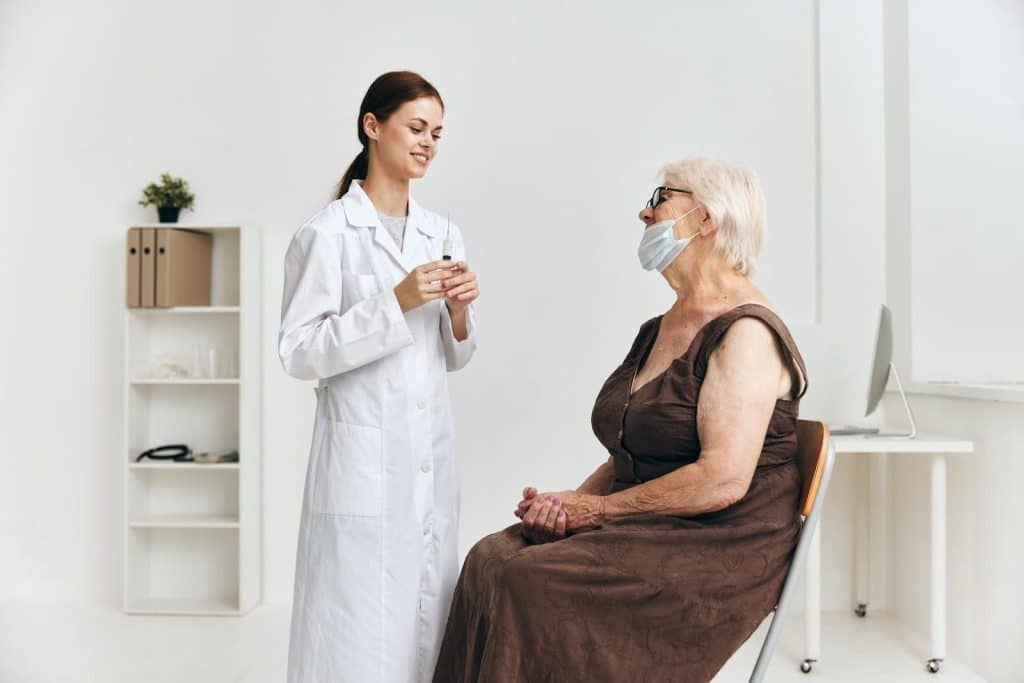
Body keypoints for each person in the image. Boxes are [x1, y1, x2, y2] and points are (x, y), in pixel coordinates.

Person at [433, 157, 806, 683]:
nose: (643, 212)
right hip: (653, 520)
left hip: (720, 540)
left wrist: (597, 512)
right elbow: (630, 454)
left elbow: (722, 479)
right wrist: (566, 505)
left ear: (706, 219)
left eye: (660, 199)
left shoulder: (747, 332)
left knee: (527, 579)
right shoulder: (660, 327)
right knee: (489, 558)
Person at [278, 70, 479, 683]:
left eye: (437, 134)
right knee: (354, 631)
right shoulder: (327, 234)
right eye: (416, 128)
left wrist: (460, 311)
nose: (428, 144)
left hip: (426, 457)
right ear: (373, 126)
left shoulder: (441, 232)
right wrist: (394, 301)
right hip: (360, 465)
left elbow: (455, 356)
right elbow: (298, 352)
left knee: (426, 619)